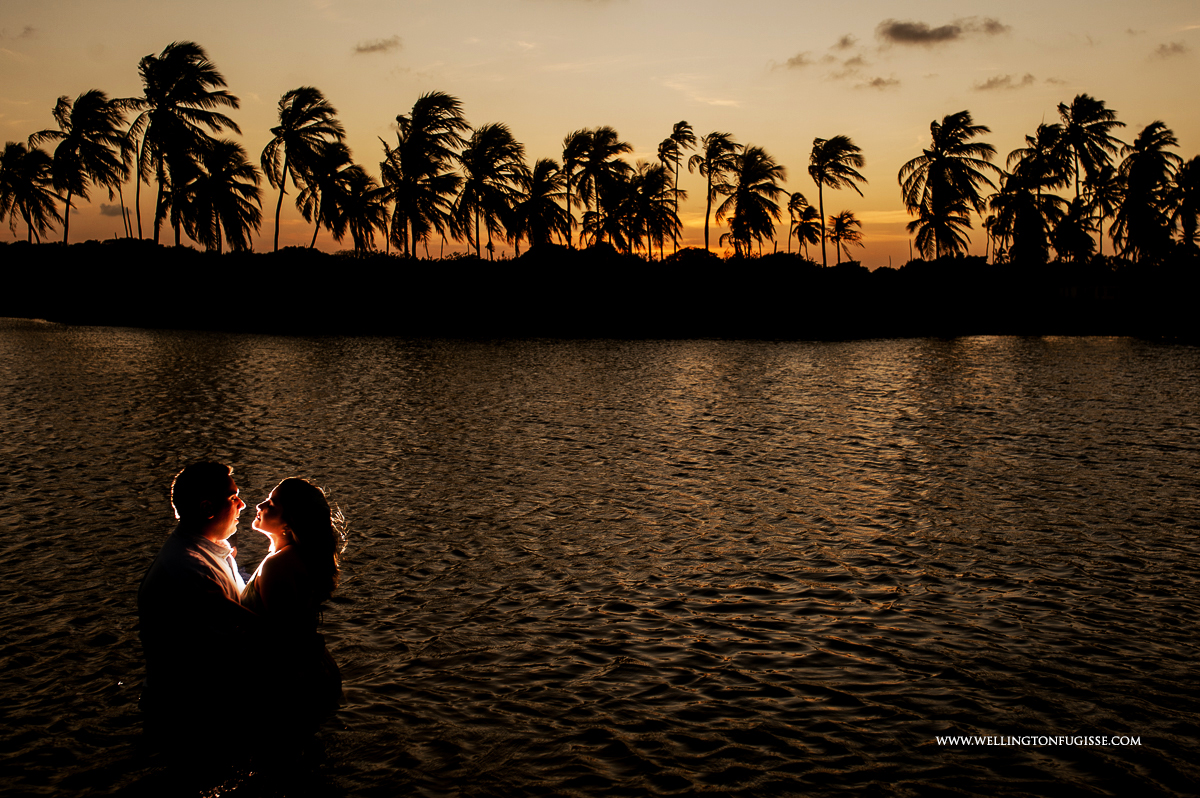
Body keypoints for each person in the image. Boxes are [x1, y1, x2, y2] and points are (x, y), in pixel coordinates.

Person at [137, 461, 257, 746]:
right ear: (206, 508)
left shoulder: (208, 552)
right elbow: (240, 641)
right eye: (232, 497)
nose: (242, 504)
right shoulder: (188, 569)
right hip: (191, 719)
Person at [242, 477, 345, 736]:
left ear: (289, 522)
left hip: (293, 680)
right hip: (312, 669)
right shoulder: (291, 557)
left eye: (271, 505)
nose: (260, 505)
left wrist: (220, 604)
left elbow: (279, 634)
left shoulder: (279, 565)